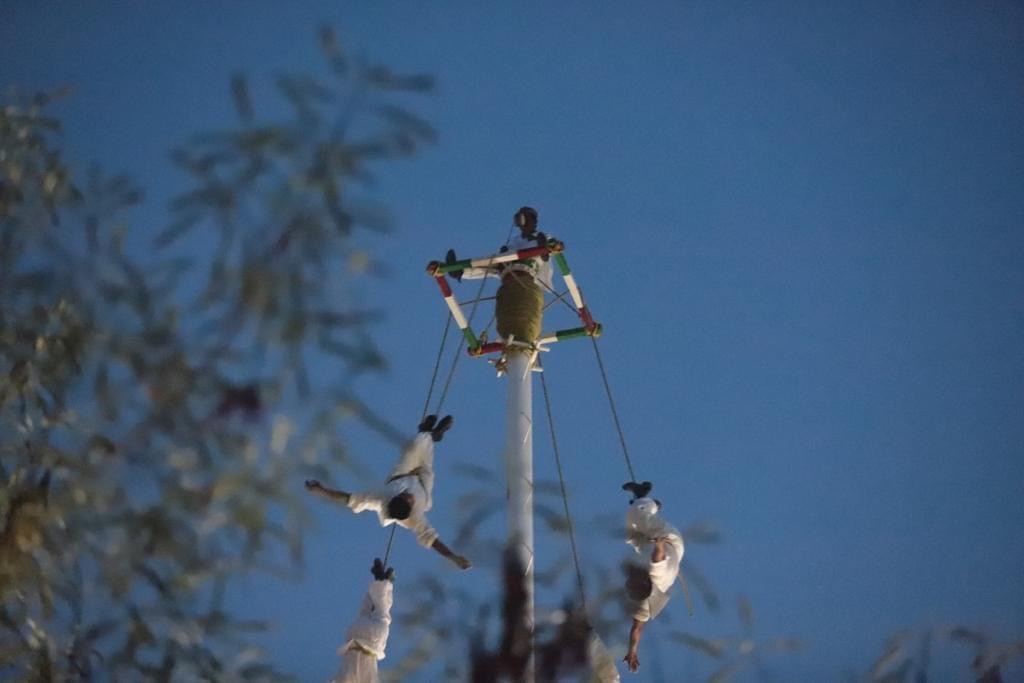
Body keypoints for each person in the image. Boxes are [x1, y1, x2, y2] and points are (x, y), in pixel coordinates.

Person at [305, 415, 471, 570]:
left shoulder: (381, 499)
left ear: (396, 496)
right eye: (409, 499)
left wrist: (321, 490)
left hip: (402, 474)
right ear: (411, 507)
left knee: (413, 449)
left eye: (403, 495)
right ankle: (431, 436)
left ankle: (427, 433)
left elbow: (350, 500)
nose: (408, 495)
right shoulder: (415, 519)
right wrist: (453, 557)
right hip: (423, 487)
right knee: (426, 461)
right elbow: (431, 540)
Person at [446, 206, 553, 344]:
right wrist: (504, 253)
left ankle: (461, 270)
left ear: (531, 220)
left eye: (522, 219)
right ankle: (459, 270)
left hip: (529, 268)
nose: (521, 224)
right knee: (490, 263)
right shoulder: (516, 240)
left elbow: (545, 253)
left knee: (496, 263)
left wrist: (543, 244)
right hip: (510, 268)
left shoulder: (541, 236)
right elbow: (507, 253)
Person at [620, 481, 685, 674]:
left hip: (651, 550)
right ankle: (648, 500)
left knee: (631, 536)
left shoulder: (642, 607)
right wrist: (659, 544)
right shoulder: (654, 573)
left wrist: (632, 651)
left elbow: (636, 630)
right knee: (635, 514)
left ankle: (642, 503)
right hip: (670, 541)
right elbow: (658, 558)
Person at [333, 558, 395, 683]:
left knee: (382, 613)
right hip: (354, 633)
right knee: (364, 612)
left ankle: (384, 582)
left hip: (373, 641)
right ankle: (380, 582)